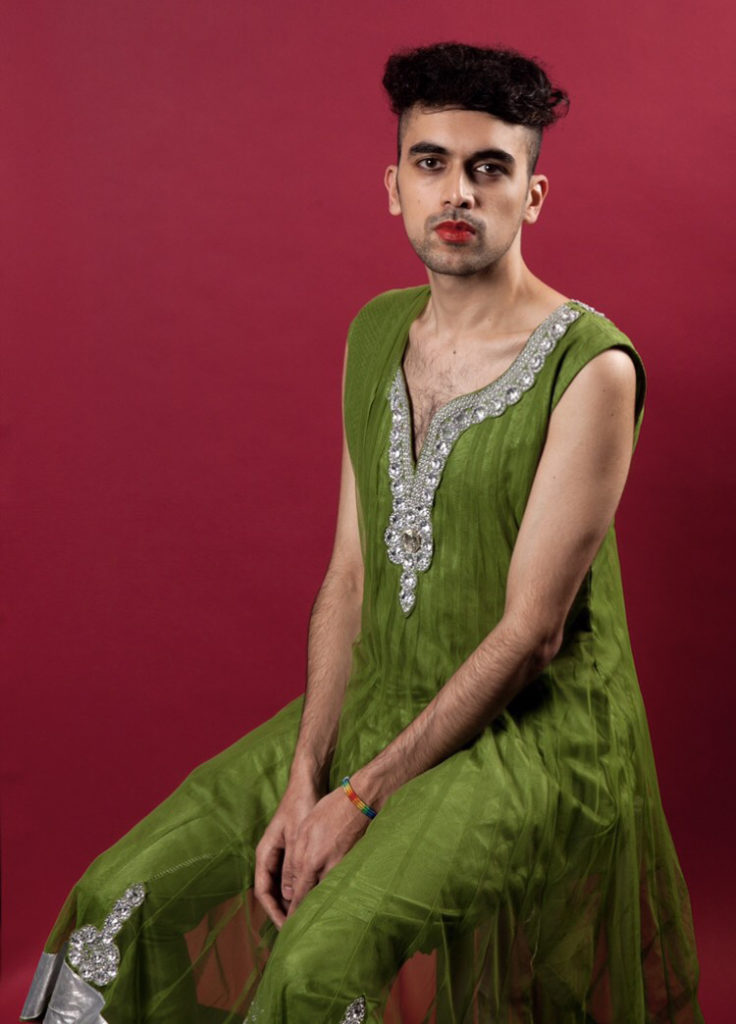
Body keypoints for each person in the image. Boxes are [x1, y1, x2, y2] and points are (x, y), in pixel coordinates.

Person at [21, 42, 704, 1024]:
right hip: (379, 699)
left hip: (535, 740)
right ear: (394, 187)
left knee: (317, 968)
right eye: (430, 163)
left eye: (487, 168)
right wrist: (305, 777)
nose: (456, 191)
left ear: (533, 194)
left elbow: (531, 633)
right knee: (120, 888)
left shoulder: (590, 368)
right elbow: (348, 576)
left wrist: (363, 796)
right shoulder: (377, 333)